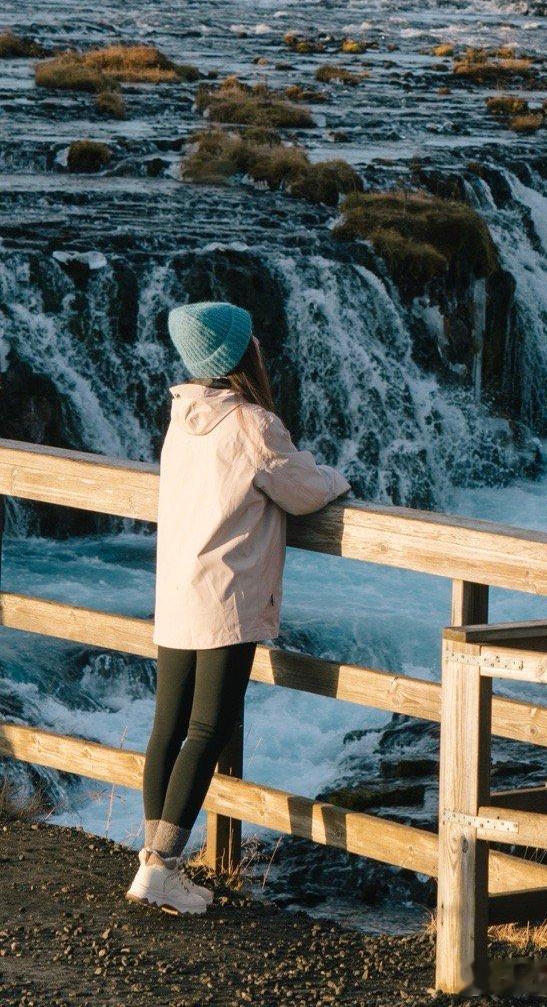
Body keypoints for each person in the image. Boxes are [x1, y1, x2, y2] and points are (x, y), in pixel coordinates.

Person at [127, 301, 350, 913]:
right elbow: (303, 491)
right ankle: (162, 868)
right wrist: (336, 478)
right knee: (208, 727)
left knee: (169, 726)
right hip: (225, 594)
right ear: (242, 355)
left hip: (177, 587)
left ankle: (152, 859)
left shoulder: (183, 415)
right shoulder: (253, 424)